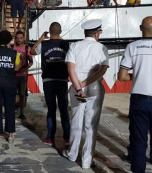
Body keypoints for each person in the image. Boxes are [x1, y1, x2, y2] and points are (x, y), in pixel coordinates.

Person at [62, 19, 109, 169]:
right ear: (96, 34)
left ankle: (72, 154)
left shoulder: (74, 46)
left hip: (79, 91)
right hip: (94, 89)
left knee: (77, 120)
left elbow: (71, 70)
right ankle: (86, 161)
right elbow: (102, 71)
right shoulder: (102, 48)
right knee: (91, 125)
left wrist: (79, 87)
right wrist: (85, 84)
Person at [118, 16, 152, 173]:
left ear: (140, 28)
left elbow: (122, 76)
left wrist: (136, 75)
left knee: (139, 141)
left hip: (140, 99)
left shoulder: (132, 47)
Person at [30, 22, 70, 147]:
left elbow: (32, 51)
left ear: (49, 31)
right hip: (62, 80)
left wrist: (42, 38)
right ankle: (67, 137)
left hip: (48, 80)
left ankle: (50, 137)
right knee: (64, 110)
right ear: (61, 31)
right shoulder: (66, 44)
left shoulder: (44, 44)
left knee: (51, 110)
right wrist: (59, 37)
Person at [0, 30, 21, 144]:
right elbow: (16, 68)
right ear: (9, 40)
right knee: (10, 108)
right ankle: (10, 135)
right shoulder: (14, 53)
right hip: (9, 82)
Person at [13, 31, 33, 119]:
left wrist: (28, 66)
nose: (19, 40)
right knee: (12, 94)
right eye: (17, 38)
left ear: (24, 38)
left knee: (22, 94)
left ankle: (21, 113)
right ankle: (12, 110)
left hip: (23, 75)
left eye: (21, 38)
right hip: (13, 75)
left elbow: (31, 61)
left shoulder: (27, 48)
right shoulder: (11, 48)